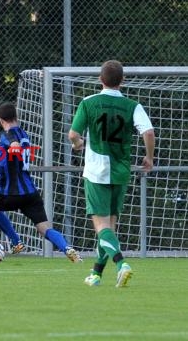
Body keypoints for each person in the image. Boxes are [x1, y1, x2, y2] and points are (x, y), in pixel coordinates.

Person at [68, 60, 155, 287]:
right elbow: (148, 132)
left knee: (101, 227)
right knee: (110, 228)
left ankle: (121, 264)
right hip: (120, 172)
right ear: (122, 81)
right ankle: (96, 274)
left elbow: (73, 134)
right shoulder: (132, 105)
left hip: (97, 171)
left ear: (100, 79)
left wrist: (78, 143)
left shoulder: (89, 103)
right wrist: (149, 157)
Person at [0, 102, 82, 263]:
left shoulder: (6, 134)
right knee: (44, 228)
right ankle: (67, 248)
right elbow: (12, 146)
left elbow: (11, 142)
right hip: (30, 192)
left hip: (11, 192)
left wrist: (13, 147)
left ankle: (16, 242)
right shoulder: (23, 134)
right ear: (16, 116)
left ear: (1, 120)